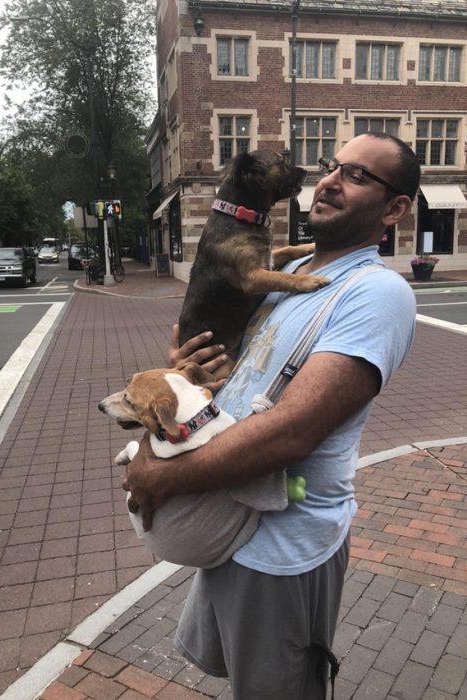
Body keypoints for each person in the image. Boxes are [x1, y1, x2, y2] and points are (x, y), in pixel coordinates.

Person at [123, 132, 421, 699]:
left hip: (284, 546)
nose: (330, 179)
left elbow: (292, 432)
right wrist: (186, 371)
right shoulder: (297, 268)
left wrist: (160, 475)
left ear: (395, 209)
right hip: (231, 519)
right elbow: (242, 368)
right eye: (334, 166)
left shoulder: (376, 292)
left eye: (358, 175)